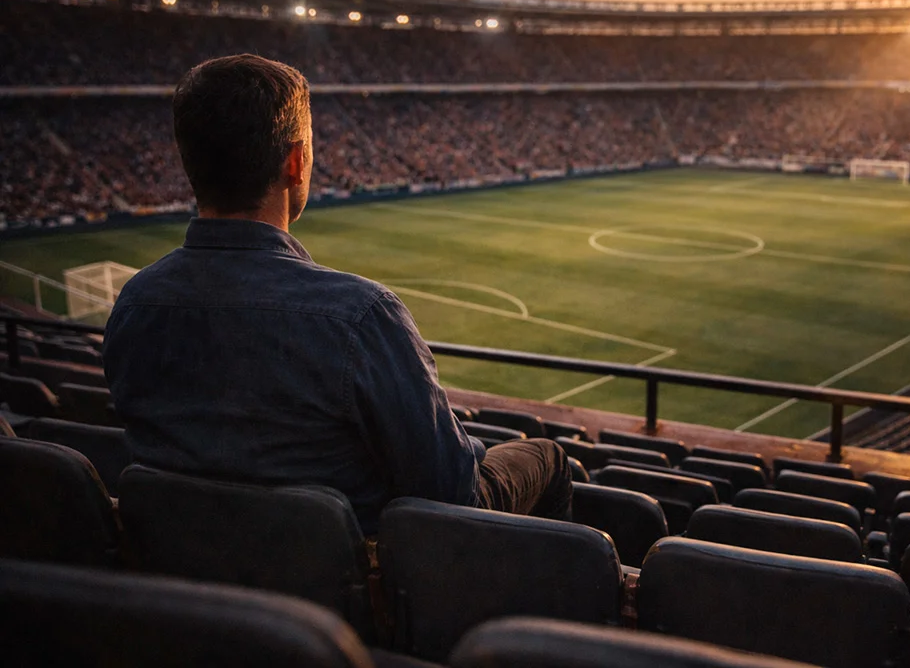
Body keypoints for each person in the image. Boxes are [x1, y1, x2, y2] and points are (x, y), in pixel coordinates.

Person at [103, 54, 572, 533]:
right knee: (549, 456)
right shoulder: (359, 317)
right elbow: (453, 495)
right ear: (296, 161)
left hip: (186, 571)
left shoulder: (135, 304)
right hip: (335, 588)